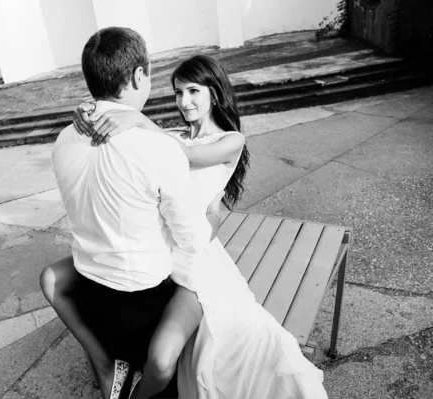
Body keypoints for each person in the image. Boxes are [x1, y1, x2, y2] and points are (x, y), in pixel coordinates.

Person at [46, 52, 330, 399]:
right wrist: (92, 109)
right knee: (64, 282)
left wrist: (132, 118)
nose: (184, 101)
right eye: (178, 93)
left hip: (195, 256)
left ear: (215, 92)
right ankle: (114, 368)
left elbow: (188, 156)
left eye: (194, 91)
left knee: (213, 347)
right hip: (161, 250)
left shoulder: (230, 141)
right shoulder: (171, 134)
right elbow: (147, 150)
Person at [44, 27, 223, 399]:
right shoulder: (157, 148)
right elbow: (190, 239)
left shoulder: (64, 138)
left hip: (90, 289)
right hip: (145, 301)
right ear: (140, 75)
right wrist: (212, 217)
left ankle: (108, 367)